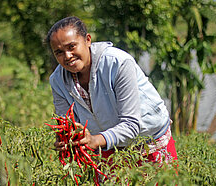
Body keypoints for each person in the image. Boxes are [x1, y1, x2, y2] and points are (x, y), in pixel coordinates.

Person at [46, 16, 177, 164]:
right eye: (59, 52)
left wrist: (95, 140)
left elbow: (132, 125)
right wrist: (66, 138)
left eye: (71, 47)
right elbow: (67, 124)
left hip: (148, 140)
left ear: (87, 40)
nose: (67, 56)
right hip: (107, 145)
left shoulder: (117, 63)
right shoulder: (57, 80)